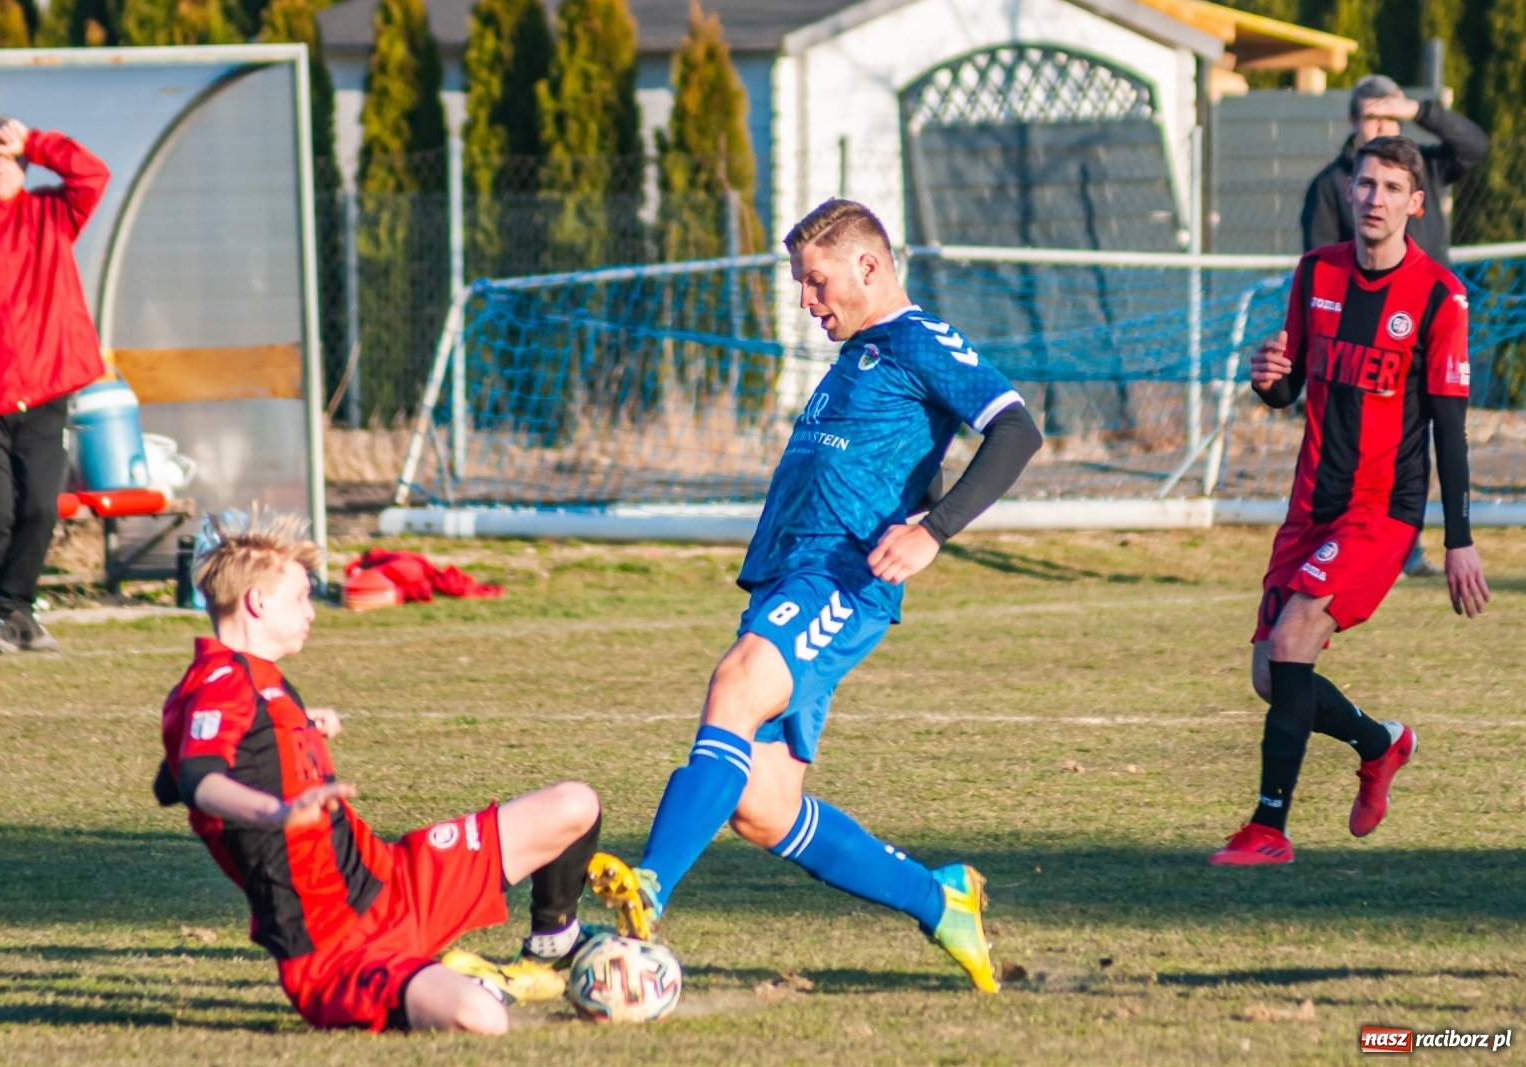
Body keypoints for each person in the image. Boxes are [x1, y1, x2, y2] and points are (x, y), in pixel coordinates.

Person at [587, 199, 1043, 993]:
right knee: (764, 806)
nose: (806, 300)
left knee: (735, 683)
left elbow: (1015, 429)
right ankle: (942, 901)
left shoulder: (918, 339)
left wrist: (934, 529)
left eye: (816, 281)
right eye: (801, 283)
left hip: (840, 574)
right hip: (792, 573)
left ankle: (651, 885)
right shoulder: (861, 350)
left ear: (869, 266)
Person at [154, 509, 606, 1033]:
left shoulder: (251, 681)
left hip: (396, 881)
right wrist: (274, 810)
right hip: (336, 951)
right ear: (257, 602)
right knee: (481, 1018)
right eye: (301, 597)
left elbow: (171, 778)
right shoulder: (221, 684)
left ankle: (551, 946)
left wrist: (299, 726)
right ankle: (451, 982)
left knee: (575, 804)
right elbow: (195, 781)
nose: (312, 612)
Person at [1211, 137, 1489, 866]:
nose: (1374, 198)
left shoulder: (1438, 296)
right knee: (1271, 674)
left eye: (1391, 187)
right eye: (1365, 184)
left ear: (1415, 205)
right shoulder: (1315, 273)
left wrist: (1458, 536)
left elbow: (1451, 430)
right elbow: (1287, 386)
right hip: (1310, 505)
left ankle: (1269, 828)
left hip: (1383, 509)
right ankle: (1381, 743)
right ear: (1349, 190)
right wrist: (1266, 378)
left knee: (1297, 633)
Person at [0, 117, 112, 654]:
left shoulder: (51, 214)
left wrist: (37, 139)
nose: (0, 164)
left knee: (39, 506)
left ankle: (12, 615)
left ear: (27, 163)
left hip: (45, 391)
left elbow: (93, 174)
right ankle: (17, 616)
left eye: (11, 155)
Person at [1301, 75, 1489, 578]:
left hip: (1425, 324)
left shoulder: (1421, 164)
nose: (1378, 199)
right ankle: (1347, 537)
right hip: (1358, 343)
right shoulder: (1329, 185)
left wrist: (1421, 109)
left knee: (1435, 425)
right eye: (1371, 117)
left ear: (1415, 198)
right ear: (1352, 124)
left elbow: (1476, 145)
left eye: (1390, 115)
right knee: (1359, 437)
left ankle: (1406, 539)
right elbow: (1318, 267)